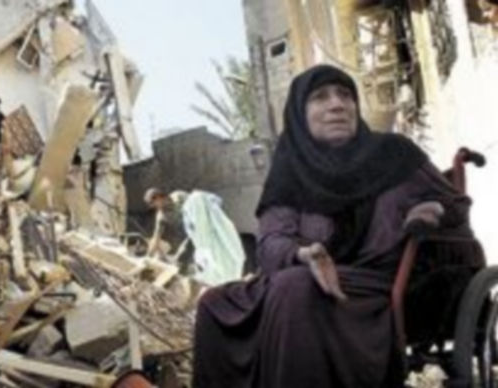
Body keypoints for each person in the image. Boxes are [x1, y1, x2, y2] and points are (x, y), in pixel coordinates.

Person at [191, 65, 483, 387]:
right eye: (320, 97)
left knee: (293, 288)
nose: (337, 105)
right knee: (214, 303)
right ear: (300, 115)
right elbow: (271, 240)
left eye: (345, 95)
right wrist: (303, 254)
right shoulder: (291, 172)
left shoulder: (395, 154)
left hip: (381, 283)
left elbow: (453, 206)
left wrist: (429, 209)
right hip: (311, 273)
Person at [145, 188, 245, 286]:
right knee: (182, 257)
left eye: (153, 203)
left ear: (159, 197)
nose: (154, 207)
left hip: (202, 227)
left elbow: (198, 205)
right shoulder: (162, 217)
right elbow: (156, 237)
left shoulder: (178, 196)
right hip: (191, 235)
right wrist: (148, 256)